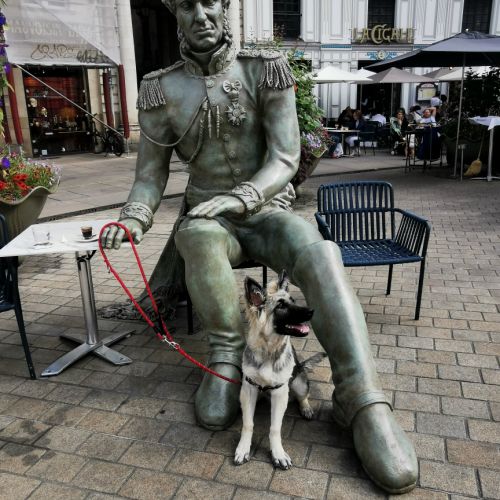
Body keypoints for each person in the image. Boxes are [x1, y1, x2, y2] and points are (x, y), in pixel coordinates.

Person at [101, 0, 417, 493]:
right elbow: (149, 175)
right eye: (187, 5)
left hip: (266, 210)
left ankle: (361, 395)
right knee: (195, 237)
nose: (200, 15)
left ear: (224, 8)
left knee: (321, 253)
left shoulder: (264, 70)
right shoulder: (160, 88)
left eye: (209, 2)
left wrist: (243, 196)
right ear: (176, 15)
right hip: (210, 216)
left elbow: (287, 156)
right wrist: (134, 218)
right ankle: (227, 359)